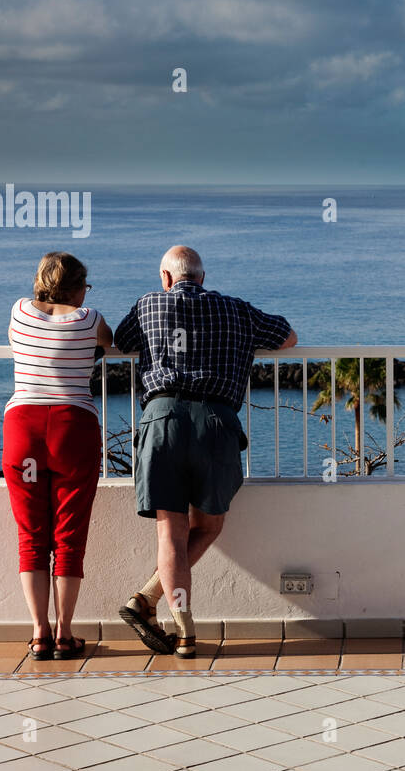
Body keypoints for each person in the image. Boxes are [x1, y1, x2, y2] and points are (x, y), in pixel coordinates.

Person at [113, 245, 296, 658]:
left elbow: (121, 343)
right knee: (209, 525)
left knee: (170, 533)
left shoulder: (148, 305)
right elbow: (288, 337)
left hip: (162, 420)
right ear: (202, 277)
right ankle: (145, 602)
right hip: (216, 423)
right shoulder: (237, 310)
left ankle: (181, 630)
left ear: (165, 278)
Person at [3, 252, 112, 661]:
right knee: (69, 536)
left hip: (24, 428)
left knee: (31, 535)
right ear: (79, 287)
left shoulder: (18, 311)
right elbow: (110, 341)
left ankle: (38, 634)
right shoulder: (88, 318)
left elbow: (15, 340)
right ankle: (65, 634)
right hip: (73, 428)